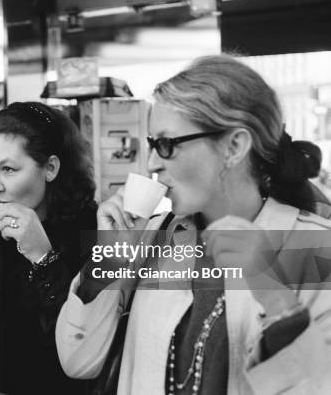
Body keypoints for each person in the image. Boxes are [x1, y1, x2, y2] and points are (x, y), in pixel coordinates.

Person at [56, 55, 331, 394]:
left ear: (234, 146)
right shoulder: (152, 236)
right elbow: (78, 360)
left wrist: (275, 298)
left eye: (167, 144)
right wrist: (108, 257)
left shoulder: (315, 248)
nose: (153, 163)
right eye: (152, 145)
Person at [0, 102, 97, 395]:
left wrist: (43, 258)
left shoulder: (93, 231)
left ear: (50, 167)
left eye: (8, 169)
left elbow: (87, 342)